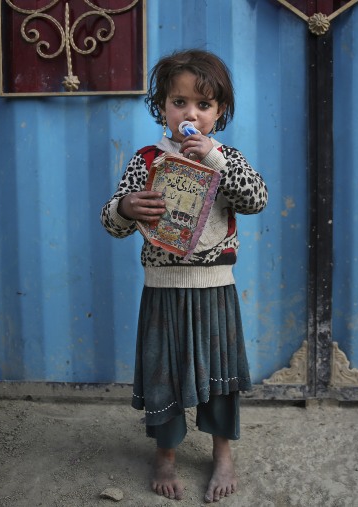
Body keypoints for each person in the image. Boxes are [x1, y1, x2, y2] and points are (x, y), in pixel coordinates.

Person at [100, 49, 268, 503]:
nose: (190, 113)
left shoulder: (226, 158)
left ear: (220, 113)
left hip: (215, 289)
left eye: (204, 105)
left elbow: (257, 200)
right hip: (163, 291)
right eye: (179, 102)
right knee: (164, 374)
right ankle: (166, 455)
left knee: (220, 376)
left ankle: (223, 453)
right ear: (162, 107)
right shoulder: (146, 160)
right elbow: (113, 225)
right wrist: (125, 207)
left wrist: (214, 158)